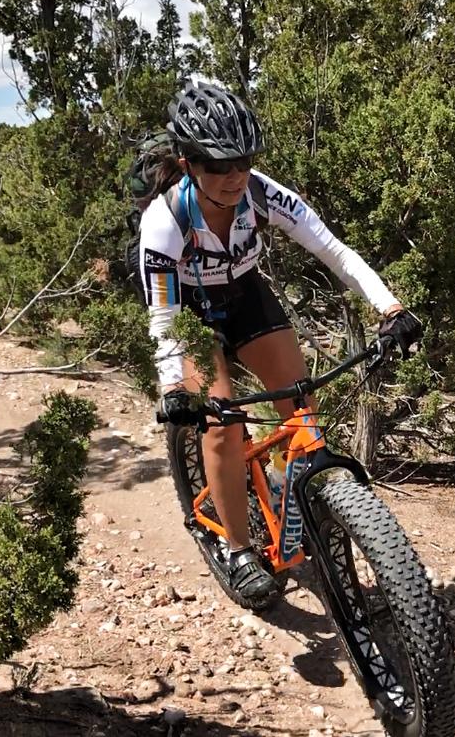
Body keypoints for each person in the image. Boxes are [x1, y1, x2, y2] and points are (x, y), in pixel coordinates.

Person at [140, 81, 422, 602]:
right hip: (191, 314)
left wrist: (390, 306)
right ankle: (238, 549)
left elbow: (334, 252)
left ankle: (294, 494)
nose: (234, 178)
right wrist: (173, 385)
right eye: (218, 166)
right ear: (186, 163)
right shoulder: (165, 221)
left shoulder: (262, 193)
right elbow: (163, 316)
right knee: (221, 424)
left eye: (243, 162)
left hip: (245, 296)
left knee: (300, 406)